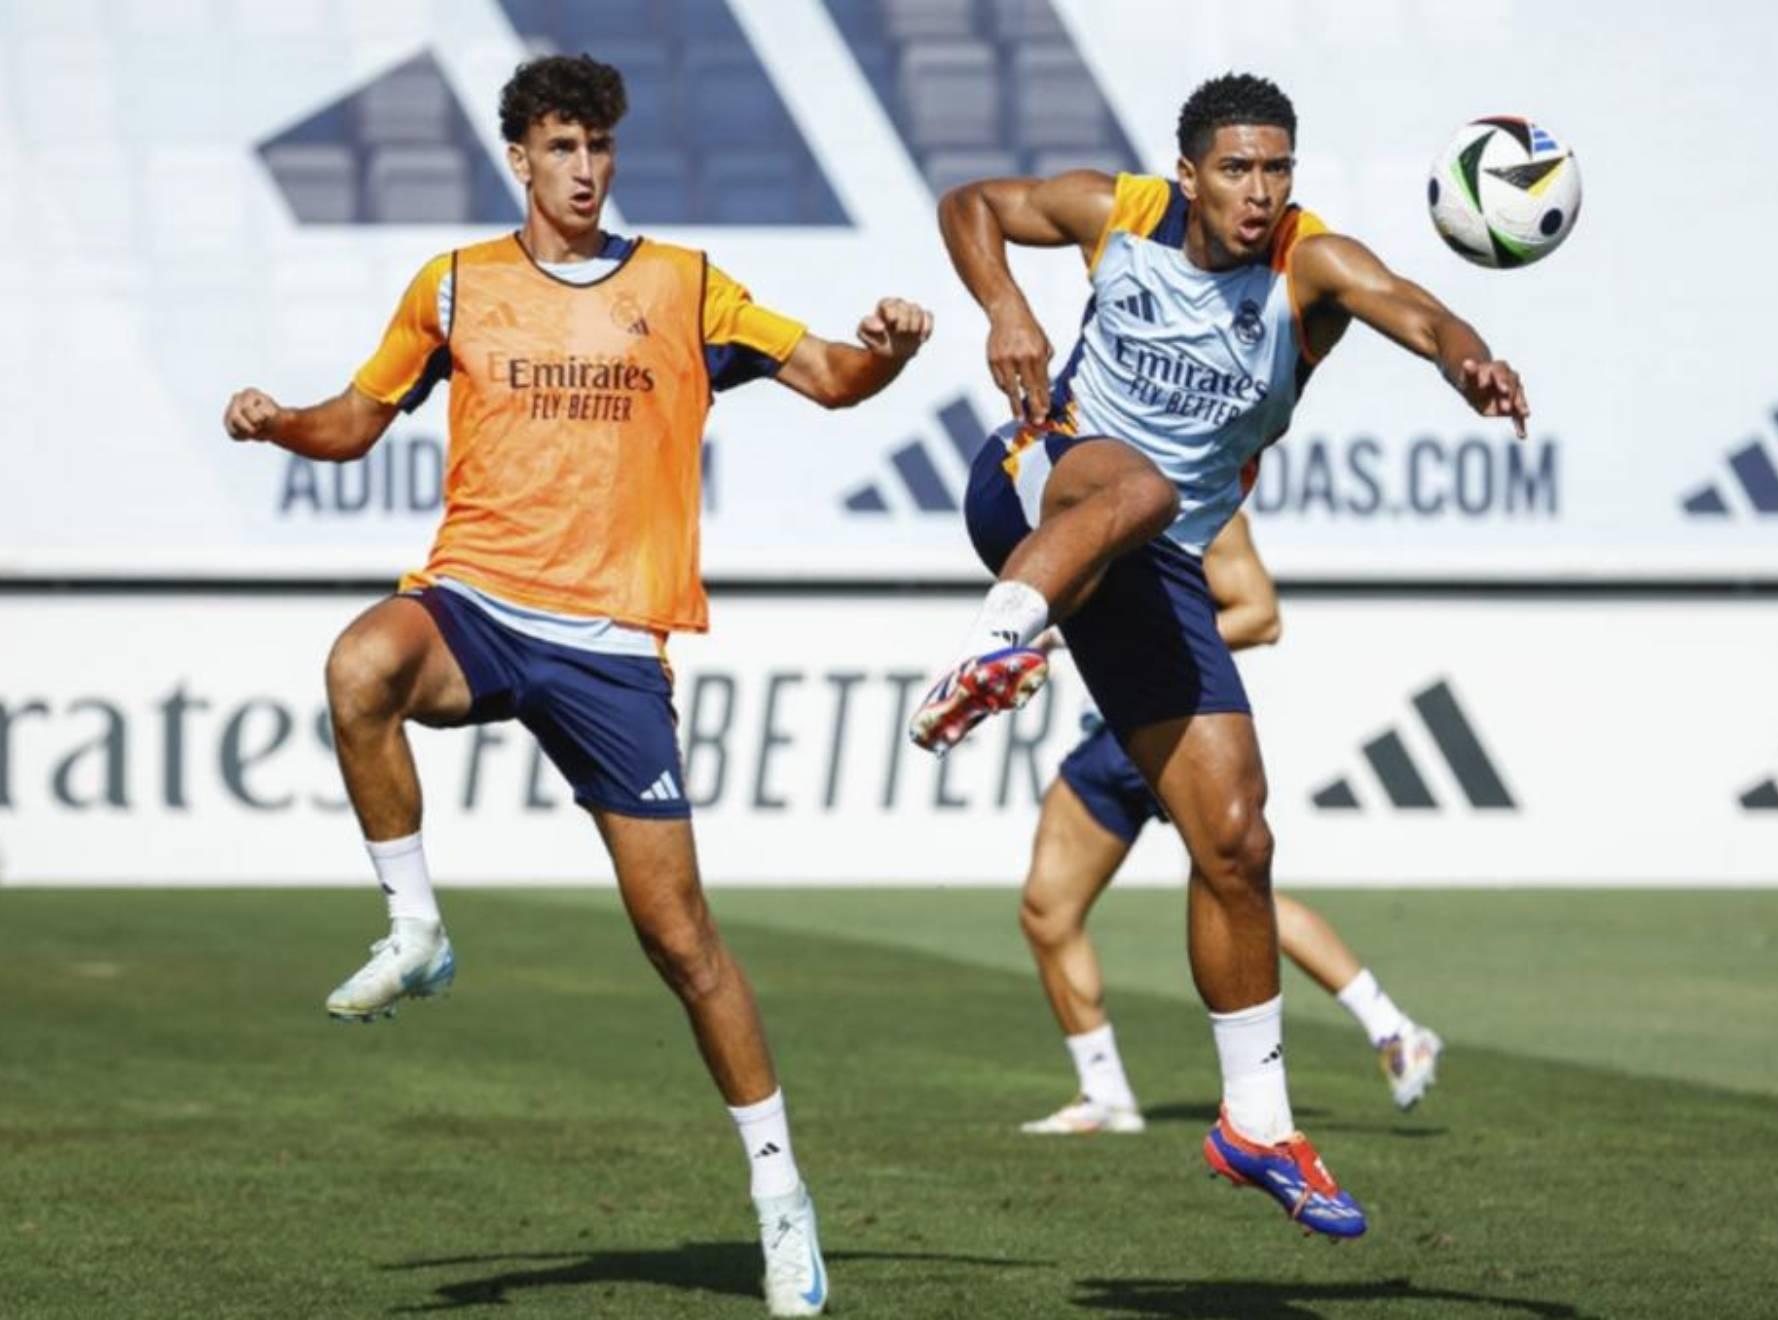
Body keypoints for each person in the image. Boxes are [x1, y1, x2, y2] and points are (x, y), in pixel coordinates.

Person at [222, 54, 932, 1318]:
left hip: (610, 645)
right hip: (479, 605)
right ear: (521, 159)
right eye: (560, 148)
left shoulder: (687, 286)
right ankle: (418, 931)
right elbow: (355, 417)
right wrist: (279, 421)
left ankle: (783, 1208)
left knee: (682, 943)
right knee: (361, 665)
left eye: (599, 147)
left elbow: (830, 377)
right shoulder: (454, 287)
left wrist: (887, 350)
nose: (586, 170)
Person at [913, 73, 1527, 1238]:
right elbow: (969, 205)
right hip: (1037, 488)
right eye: (1238, 170)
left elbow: (1421, 311)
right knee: (1134, 480)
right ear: (1189, 173)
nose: (1260, 192)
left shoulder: (1311, 266)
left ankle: (1258, 1122)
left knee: (1237, 838)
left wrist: (1470, 364)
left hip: (1154, 564)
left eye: (1278, 169)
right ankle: (991, 644)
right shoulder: (1121, 211)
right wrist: (1004, 307)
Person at [1015, 514, 1441, 1137]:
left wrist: (1137, 647)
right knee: (1047, 911)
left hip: (1174, 720)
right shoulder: (1089, 487)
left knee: (1238, 893)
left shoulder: (1196, 497)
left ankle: (1394, 1030)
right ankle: (1104, 1092)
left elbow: (1260, 615)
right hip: (1108, 733)